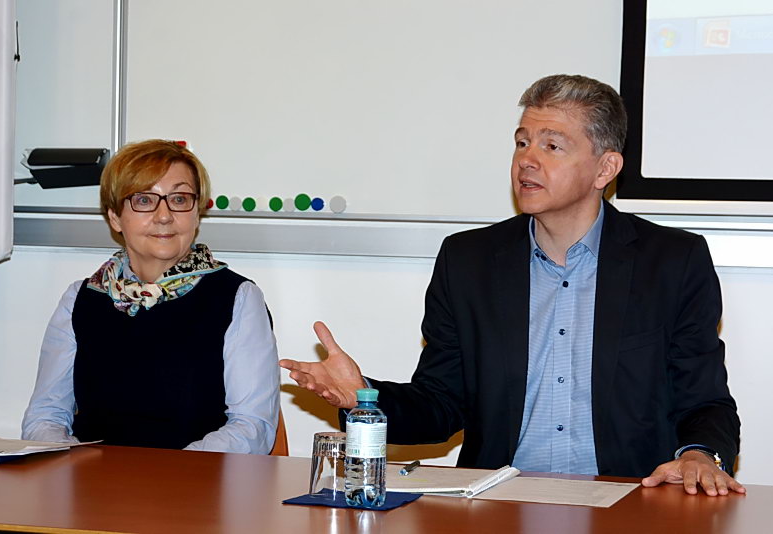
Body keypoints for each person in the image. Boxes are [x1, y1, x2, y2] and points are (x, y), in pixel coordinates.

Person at [280, 74, 745, 496]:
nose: (527, 160)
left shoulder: (672, 262)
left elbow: (705, 400)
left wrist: (700, 455)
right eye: (522, 143)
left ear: (605, 169)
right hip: (499, 502)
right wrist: (363, 396)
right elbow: (442, 404)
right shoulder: (468, 261)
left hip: (628, 502)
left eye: (551, 146)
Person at [23, 139, 280, 454]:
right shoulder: (81, 299)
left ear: (197, 213)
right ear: (115, 217)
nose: (164, 215)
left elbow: (252, 427)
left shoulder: (237, 298)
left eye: (179, 199)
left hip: (195, 478)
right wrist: (74, 462)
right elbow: (45, 416)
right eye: (144, 200)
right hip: (95, 478)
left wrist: (173, 473)